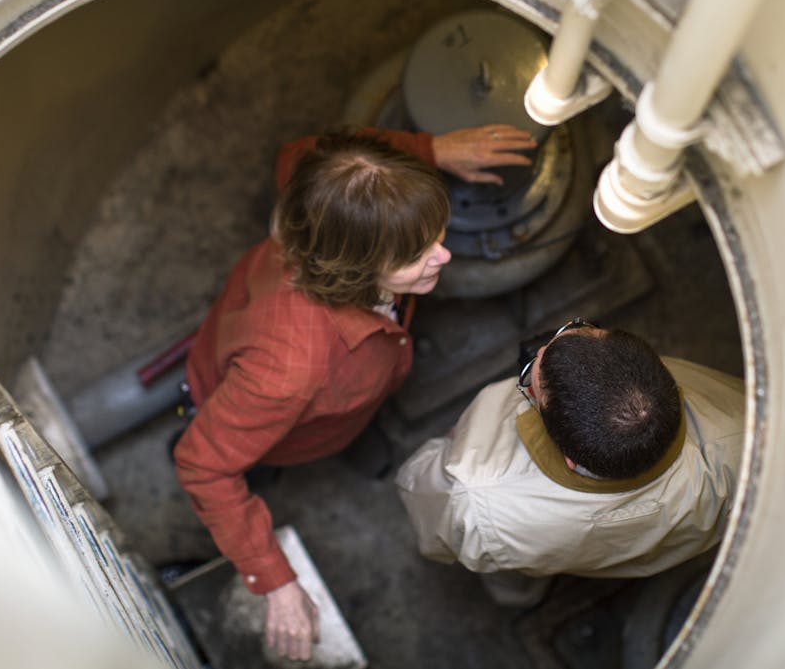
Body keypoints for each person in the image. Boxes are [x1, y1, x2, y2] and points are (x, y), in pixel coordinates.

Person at [173, 123, 535, 662]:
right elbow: (203, 465)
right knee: (261, 463)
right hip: (270, 419)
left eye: (436, 236)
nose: (443, 257)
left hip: (320, 386)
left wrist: (431, 151)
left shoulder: (316, 186)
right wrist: (275, 583)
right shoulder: (290, 370)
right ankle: (307, 453)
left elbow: (301, 151)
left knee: (348, 421)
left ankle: (348, 433)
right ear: (355, 271)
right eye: (416, 255)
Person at [395, 318, 744, 606]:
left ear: (570, 460)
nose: (541, 348)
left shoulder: (476, 502)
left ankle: (521, 597)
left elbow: (425, 507)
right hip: (660, 552)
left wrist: (449, 447)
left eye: (529, 379)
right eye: (572, 328)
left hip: (520, 547)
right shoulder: (742, 430)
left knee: (512, 577)